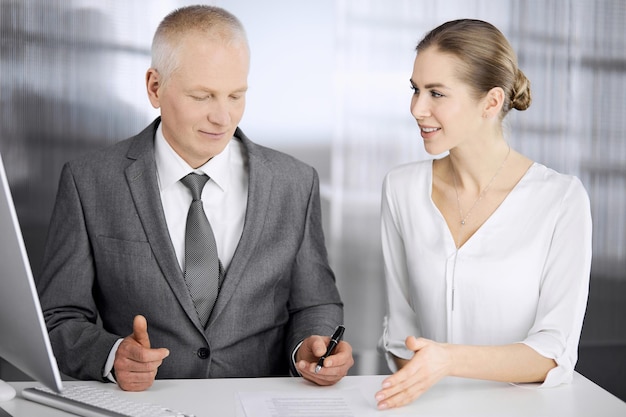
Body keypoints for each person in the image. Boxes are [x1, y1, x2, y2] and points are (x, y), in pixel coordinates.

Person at [37, 5, 353, 392]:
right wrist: (111, 354)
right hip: (144, 407)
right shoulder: (89, 182)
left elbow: (314, 303)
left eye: (236, 95)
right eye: (203, 96)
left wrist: (310, 346)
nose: (223, 117)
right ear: (155, 87)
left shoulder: (294, 182)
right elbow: (58, 317)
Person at [375, 19, 592, 410]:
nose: (416, 109)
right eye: (415, 90)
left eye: (436, 93)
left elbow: (553, 351)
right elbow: (400, 336)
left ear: (491, 102)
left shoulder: (561, 199)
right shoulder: (400, 190)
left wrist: (448, 361)